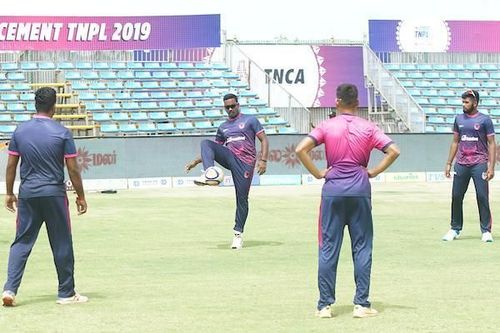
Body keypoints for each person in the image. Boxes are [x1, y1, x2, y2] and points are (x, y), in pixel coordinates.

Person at [295, 83, 400, 319]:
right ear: (357, 102)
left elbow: (301, 149)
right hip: (360, 189)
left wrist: (318, 173)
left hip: (333, 191)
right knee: (362, 247)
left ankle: (324, 306)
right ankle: (361, 304)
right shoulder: (369, 127)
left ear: (337, 101)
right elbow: (394, 151)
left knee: (328, 247)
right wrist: (372, 172)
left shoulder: (327, 125)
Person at [2, 87, 88, 307]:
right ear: (54, 106)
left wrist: (10, 193)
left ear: (35, 105)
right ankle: (66, 293)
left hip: (28, 194)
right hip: (54, 195)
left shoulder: (20, 131)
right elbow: (73, 169)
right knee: (61, 242)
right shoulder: (62, 132)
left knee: (21, 242)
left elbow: (11, 165)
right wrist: (80, 196)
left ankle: (10, 289)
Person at [185, 93, 269, 249]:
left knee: (241, 199)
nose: (230, 109)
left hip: (245, 163)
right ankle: (209, 173)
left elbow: (264, 139)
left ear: (238, 105)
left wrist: (263, 160)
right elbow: (213, 150)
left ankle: (238, 235)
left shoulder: (250, 120)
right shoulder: (223, 127)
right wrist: (195, 162)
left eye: (232, 106)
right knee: (206, 143)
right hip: (230, 157)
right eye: (227, 107)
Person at [442, 89, 496, 242]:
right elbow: (455, 142)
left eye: (467, 102)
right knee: (456, 196)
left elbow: (491, 144)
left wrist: (491, 167)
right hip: (461, 164)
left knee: (482, 196)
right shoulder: (458, 119)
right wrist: (448, 163)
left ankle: (486, 231)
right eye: (463, 101)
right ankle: (455, 228)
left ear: (475, 103)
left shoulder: (485, 120)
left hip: (479, 163)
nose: (464, 104)